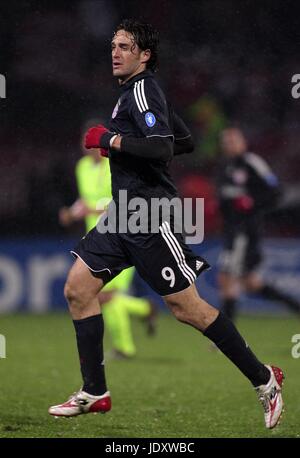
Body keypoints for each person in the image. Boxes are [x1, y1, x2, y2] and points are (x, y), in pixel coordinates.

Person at [49, 19, 284, 429]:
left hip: (149, 214)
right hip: (122, 213)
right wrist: (126, 146)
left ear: (145, 55)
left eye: (125, 47)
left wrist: (109, 141)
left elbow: (160, 149)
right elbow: (185, 140)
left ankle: (265, 379)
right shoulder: (139, 93)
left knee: (186, 308)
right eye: (113, 45)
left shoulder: (141, 90)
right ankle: (95, 390)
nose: (115, 52)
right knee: (78, 289)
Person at [59, 139, 156, 359]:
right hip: (95, 240)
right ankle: (143, 309)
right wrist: (72, 213)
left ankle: (125, 348)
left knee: (106, 295)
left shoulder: (116, 165)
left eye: (93, 142)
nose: (88, 147)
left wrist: (91, 210)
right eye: (85, 142)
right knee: (102, 295)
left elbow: (122, 200)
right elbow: (84, 200)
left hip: (121, 235)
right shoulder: (82, 167)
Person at [217, 127, 300, 320]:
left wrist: (252, 202)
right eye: (226, 142)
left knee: (226, 279)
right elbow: (227, 199)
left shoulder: (251, 163)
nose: (230, 145)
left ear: (243, 142)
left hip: (245, 232)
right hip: (232, 230)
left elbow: (276, 192)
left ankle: (226, 337)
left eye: (233, 141)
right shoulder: (225, 167)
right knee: (251, 283)